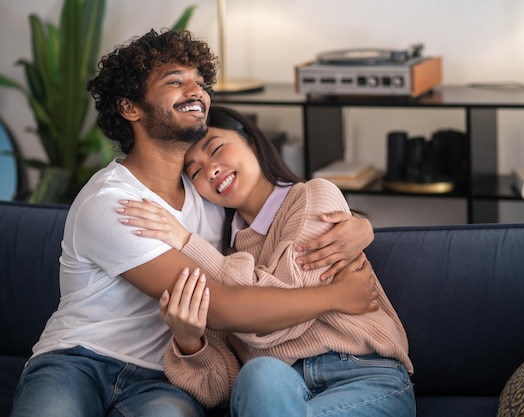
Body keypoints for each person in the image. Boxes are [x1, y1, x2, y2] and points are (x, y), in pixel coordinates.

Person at [9, 29, 378, 417]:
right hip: (79, 359)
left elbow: (282, 216)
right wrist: (336, 297)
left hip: (162, 377)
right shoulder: (114, 202)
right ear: (130, 108)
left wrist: (361, 223)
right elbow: (217, 306)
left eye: (200, 83)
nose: (197, 91)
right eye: (176, 81)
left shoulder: (208, 191)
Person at [118, 105, 416, 416]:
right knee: (258, 373)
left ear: (252, 141)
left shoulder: (314, 197)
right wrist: (190, 341)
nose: (211, 170)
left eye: (217, 148)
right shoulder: (223, 254)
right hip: (276, 387)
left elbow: (277, 307)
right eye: (195, 172)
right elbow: (219, 390)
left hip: (360, 373)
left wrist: (186, 242)